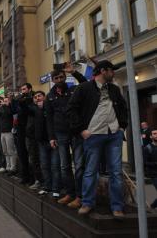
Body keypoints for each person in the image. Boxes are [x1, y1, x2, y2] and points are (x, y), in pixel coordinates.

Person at [67, 60, 128, 218]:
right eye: (111, 70)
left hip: (114, 134)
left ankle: (117, 207)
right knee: (90, 171)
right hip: (93, 134)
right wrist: (81, 130)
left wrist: (122, 127)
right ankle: (87, 203)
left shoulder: (114, 89)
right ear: (103, 71)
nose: (113, 73)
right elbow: (71, 109)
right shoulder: (84, 88)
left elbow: (123, 107)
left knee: (115, 172)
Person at [45, 63, 87, 208]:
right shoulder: (49, 96)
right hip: (60, 134)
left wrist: (74, 72)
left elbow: (86, 84)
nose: (59, 80)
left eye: (62, 77)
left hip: (76, 132)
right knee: (64, 166)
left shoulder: (74, 90)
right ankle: (70, 193)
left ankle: (80, 196)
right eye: (56, 78)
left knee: (80, 165)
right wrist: (51, 137)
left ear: (65, 77)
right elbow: (48, 118)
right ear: (53, 80)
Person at [33, 91, 61, 198]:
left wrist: (44, 106)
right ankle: (47, 186)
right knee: (44, 166)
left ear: (44, 97)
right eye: (35, 97)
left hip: (53, 140)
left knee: (55, 166)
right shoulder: (35, 109)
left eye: (39, 96)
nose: (38, 98)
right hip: (42, 142)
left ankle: (56, 189)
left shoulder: (50, 106)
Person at [15, 83, 34, 184]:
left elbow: (30, 111)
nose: (23, 91)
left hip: (30, 129)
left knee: (31, 154)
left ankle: (33, 178)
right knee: (22, 154)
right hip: (21, 129)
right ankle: (25, 176)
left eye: (24, 89)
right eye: (21, 89)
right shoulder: (20, 99)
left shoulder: (33, 98)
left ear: (30, 89)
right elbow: (14, 110)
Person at [144, 129, 157, 209]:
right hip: (154, 174)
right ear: (151, 136)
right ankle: (152, 207)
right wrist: (155, 164)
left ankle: (152, 207)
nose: (156, 135)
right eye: (154, 134)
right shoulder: (148, 148)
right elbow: (145, 163)